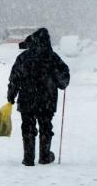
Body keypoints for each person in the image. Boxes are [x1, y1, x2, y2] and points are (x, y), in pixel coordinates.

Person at [7, 27, 70, 166]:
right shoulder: (52, 58)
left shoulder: (24, 57)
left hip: (27, 99)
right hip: (47, 100)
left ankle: (28, 158)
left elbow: (14, 78)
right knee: (45, 127)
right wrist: (63, 82)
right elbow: (63, 79)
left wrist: (11, 94)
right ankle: (45, 156)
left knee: (28, 128)